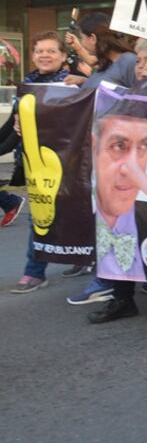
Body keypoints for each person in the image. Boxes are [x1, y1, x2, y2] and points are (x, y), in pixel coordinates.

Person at [60, 13, 141, 306]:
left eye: (84, 39)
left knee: (113, 219)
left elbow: (141, 99)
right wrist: (82, 82)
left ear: (94, 38)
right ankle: (112, 278)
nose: (83, 45)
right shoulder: (109, 67)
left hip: (121, 157)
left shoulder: (129, 63)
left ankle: (108, 281)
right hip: (99, 153)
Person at [88, 86, 147, 324]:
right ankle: (122, 299)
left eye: (143, 146)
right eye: (119, 146)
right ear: (94, 146)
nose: (131, 168)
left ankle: (123, 298)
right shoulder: (84, 209)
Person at [9, 31, 72, 293]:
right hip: (36, 165)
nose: (44, 55)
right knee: (41, 216)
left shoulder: (72, 85)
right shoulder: (27, 84)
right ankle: (34, 272)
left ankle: (100, 268)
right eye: (39, 51)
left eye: (51, 51)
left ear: (64, 56)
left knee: (81, 216)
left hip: (68, 162)